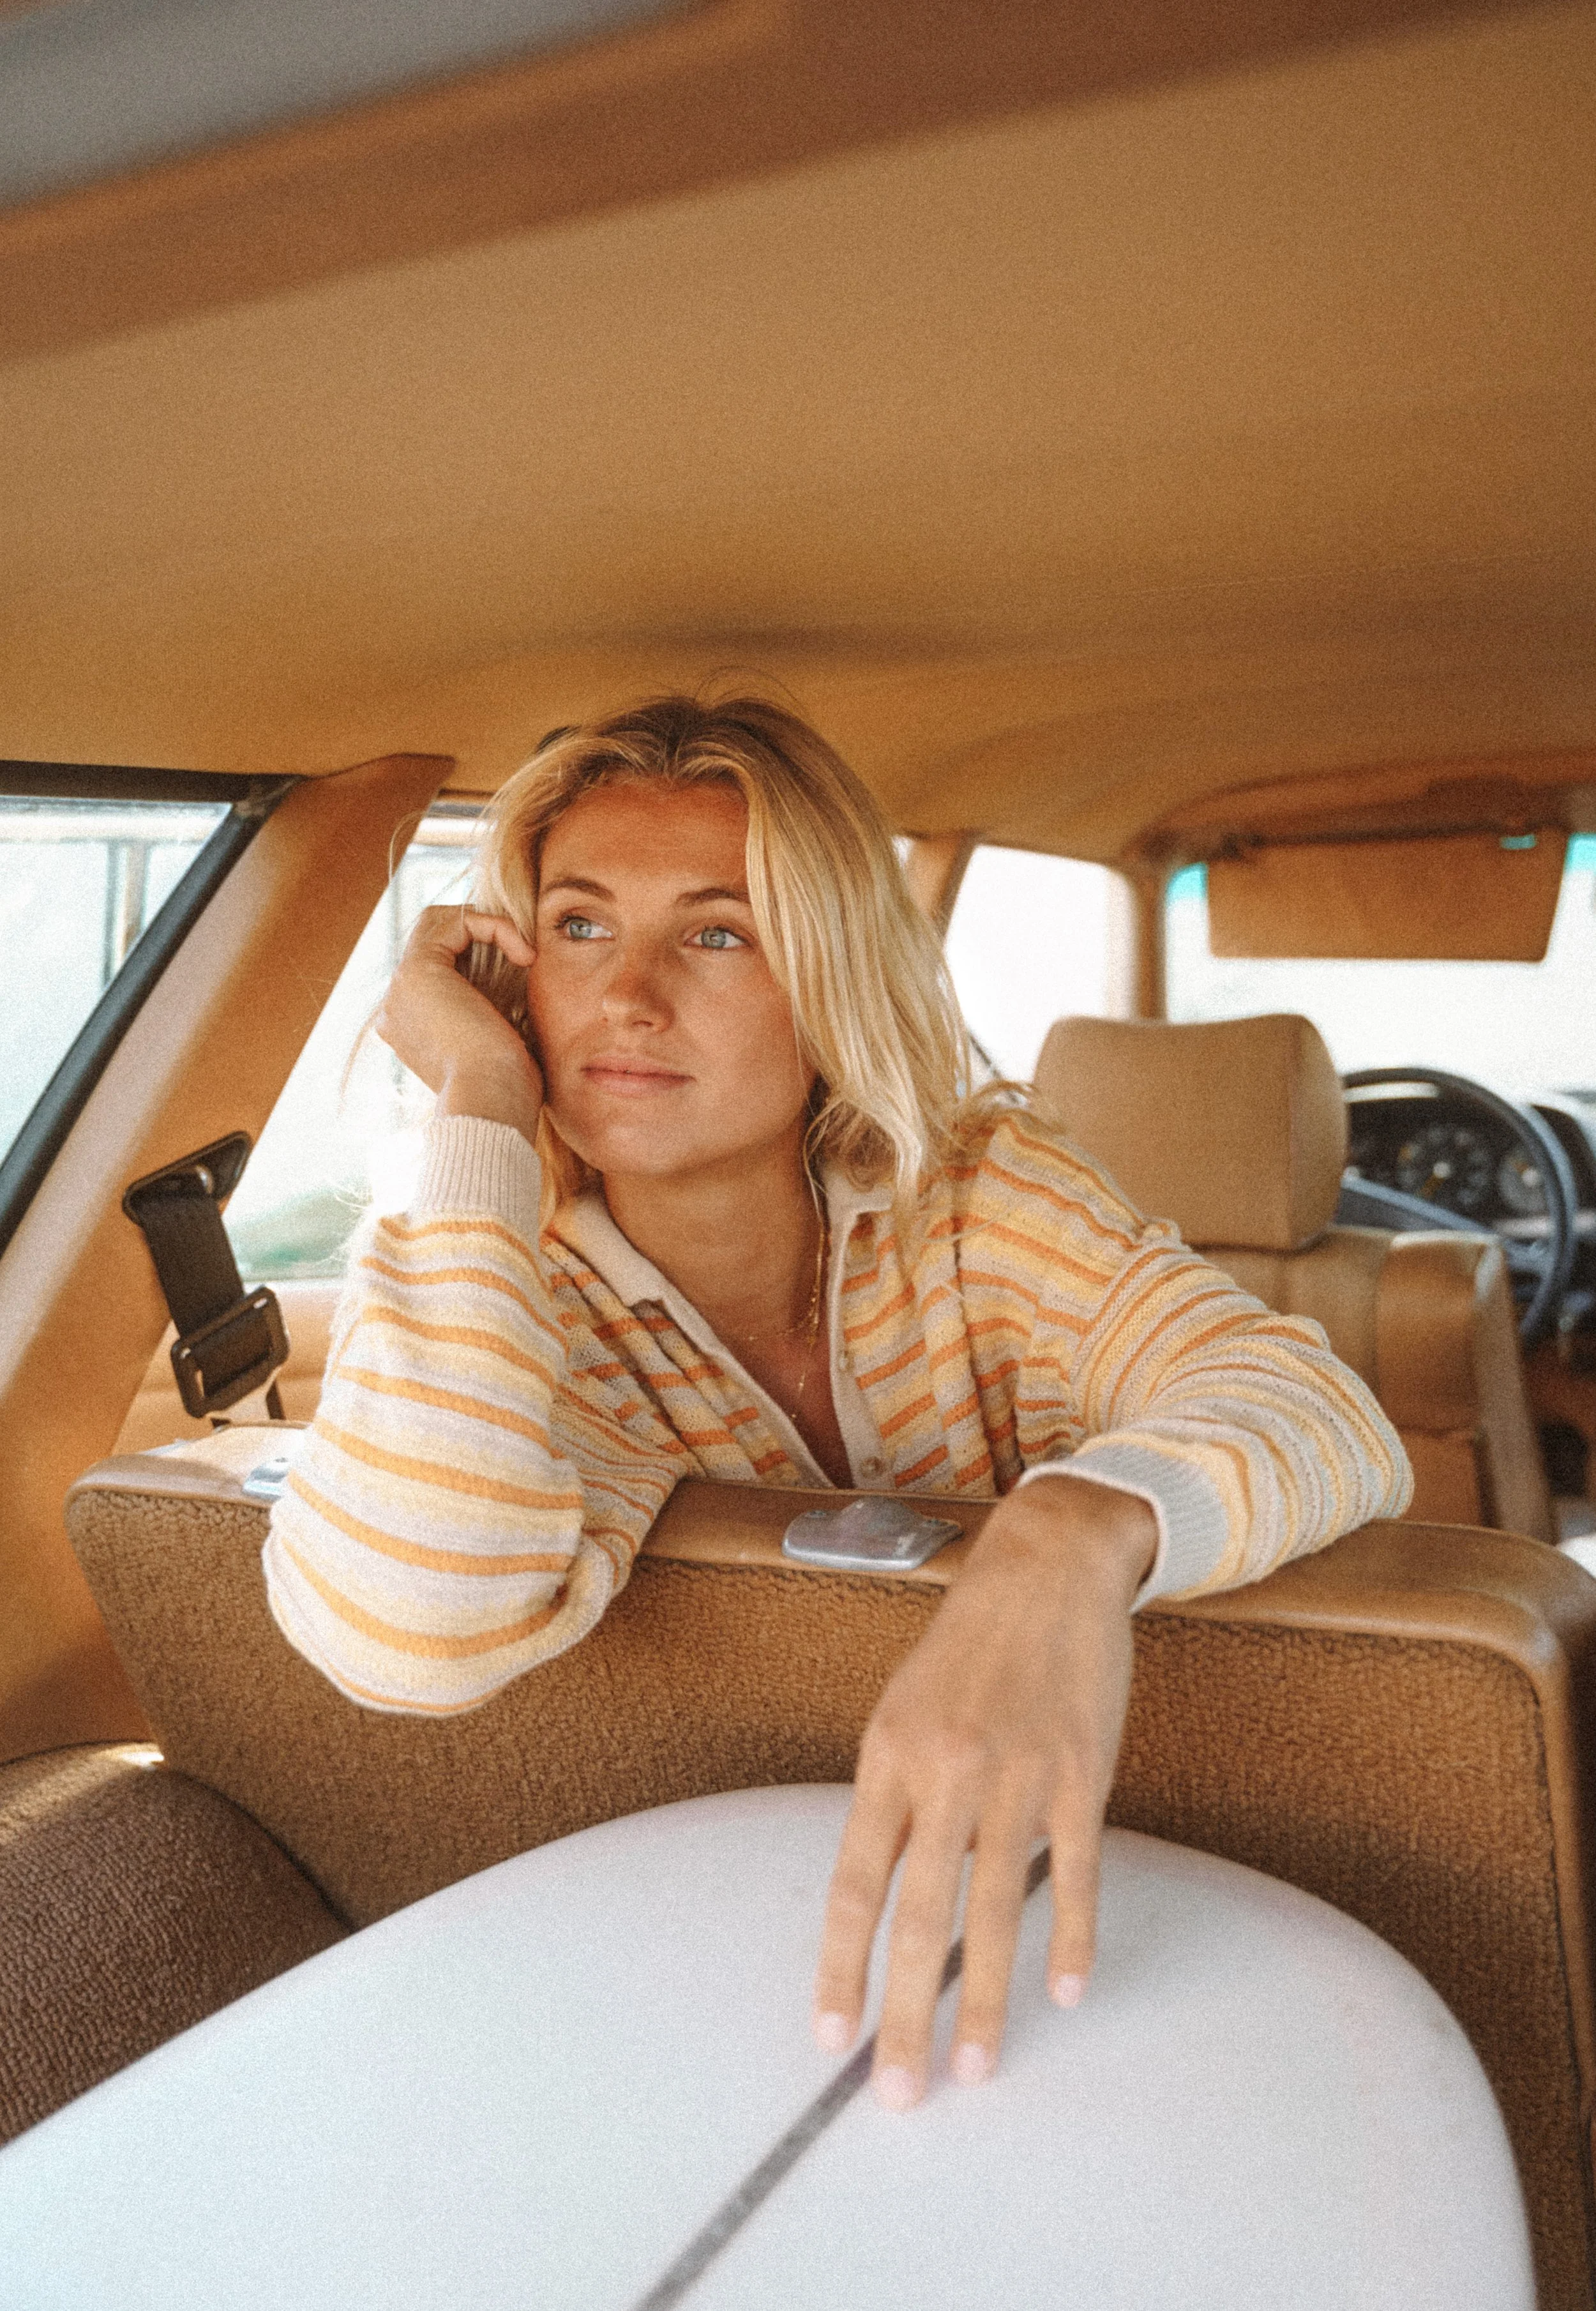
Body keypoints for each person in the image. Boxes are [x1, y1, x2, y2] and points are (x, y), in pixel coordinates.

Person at [263, 693, 1412, 2110]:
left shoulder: (981, 1194)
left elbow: (1315, 1407)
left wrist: (1068, 1532)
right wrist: (481, 1097)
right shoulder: (504, 1288)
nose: (627, 995)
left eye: (715, 931)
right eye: (577, 926)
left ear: (828, 974)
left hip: (1137, 1941)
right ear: (510, 973)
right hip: (700, 1994)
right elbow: (408, 1627)